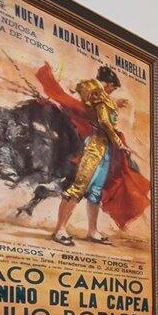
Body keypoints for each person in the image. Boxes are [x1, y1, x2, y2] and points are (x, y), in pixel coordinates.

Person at [51, 66, 135, 246]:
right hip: (94, 146)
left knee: (96, 191)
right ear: (108, 84)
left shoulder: (101, 96)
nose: (113, 91)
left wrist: (113, 103)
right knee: (79, 187)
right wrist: (119, 143)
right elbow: (104, 121)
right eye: (113, 87)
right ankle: (60, 230)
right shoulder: (96, 92)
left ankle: (93, 231)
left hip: (104, 148)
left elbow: (103, 107)